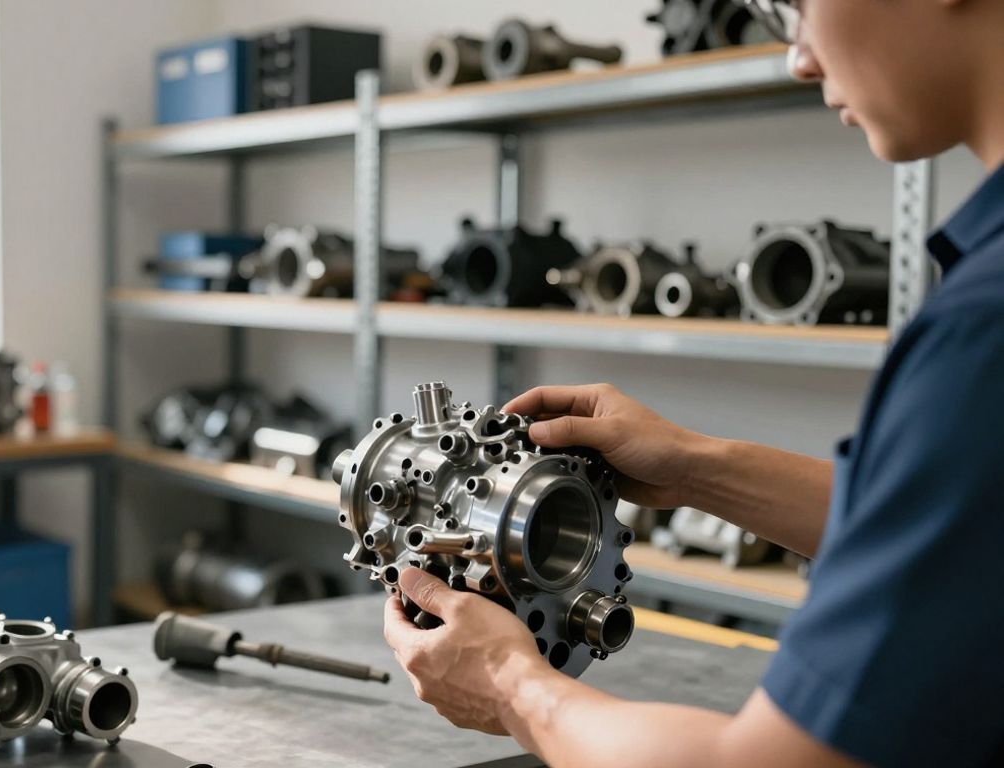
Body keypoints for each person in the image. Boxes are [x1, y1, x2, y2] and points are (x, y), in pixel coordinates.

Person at [381, 0, 1004, 765]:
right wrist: (692, 466)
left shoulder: (984, 328)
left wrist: (511, 684)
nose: (798, 58)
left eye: (797, 6)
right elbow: (952, 527)